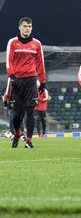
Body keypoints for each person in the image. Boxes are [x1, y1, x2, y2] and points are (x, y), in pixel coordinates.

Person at [6, 17, 47, 148]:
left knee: (30, 111)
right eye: (25, 26)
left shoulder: (37, 44)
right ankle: (17, 133)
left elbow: (41, 63)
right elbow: (9, 61)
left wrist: (43, 81)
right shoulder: (12, 42)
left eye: (29, 26)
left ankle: (29, 140)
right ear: (19, 27)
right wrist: (12, 77)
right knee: (17, 114)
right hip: (16, 80)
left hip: (31, 81)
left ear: (31, 28)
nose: (27, 28)